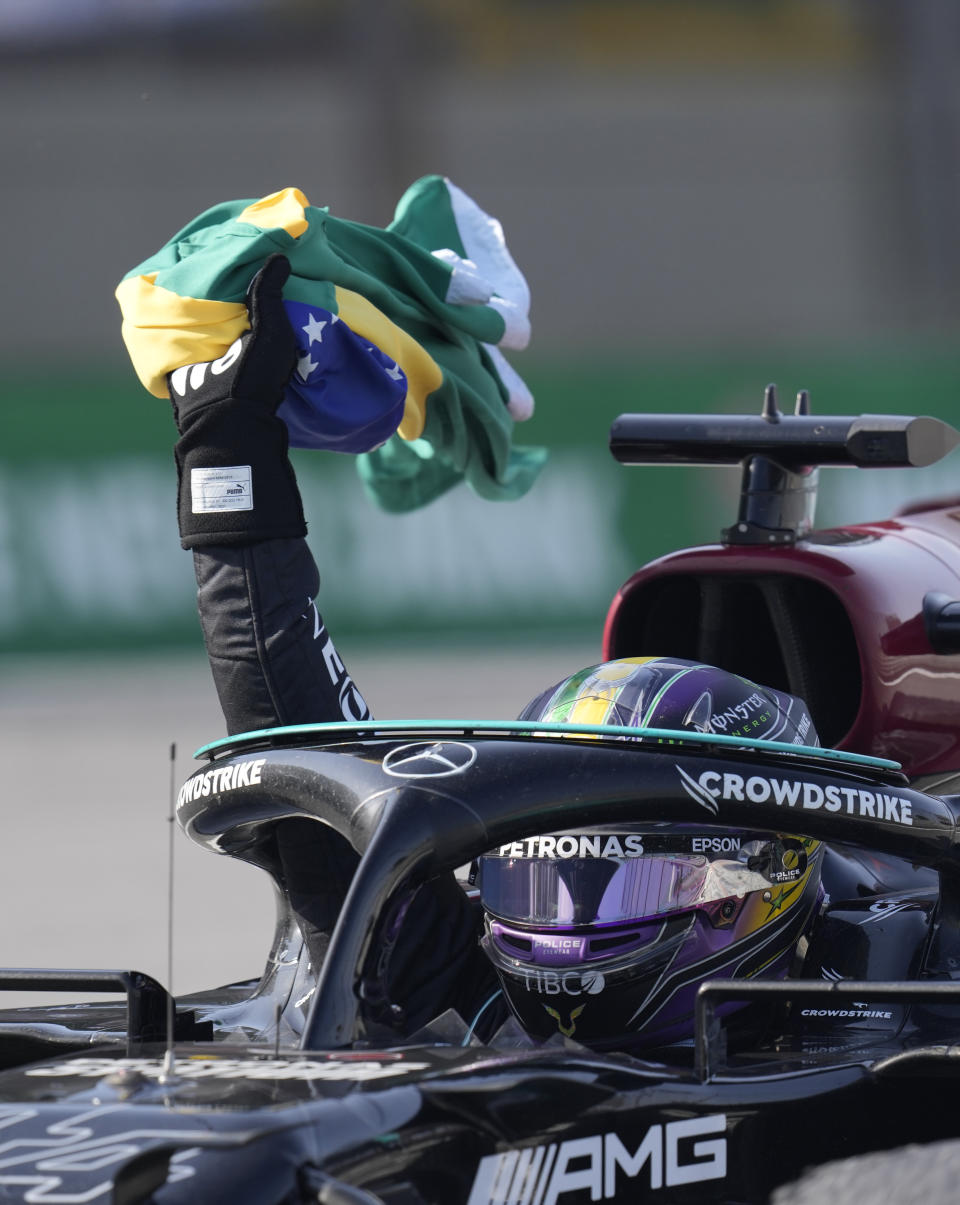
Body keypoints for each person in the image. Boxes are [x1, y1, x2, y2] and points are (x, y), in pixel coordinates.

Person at [168, 255, 830, 1050]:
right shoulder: (479, 1001)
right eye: (541, 884)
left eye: (634, 881)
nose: (568, 931)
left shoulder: (894, 1021)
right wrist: (227, 454)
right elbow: (290, 711)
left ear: (747, 889)